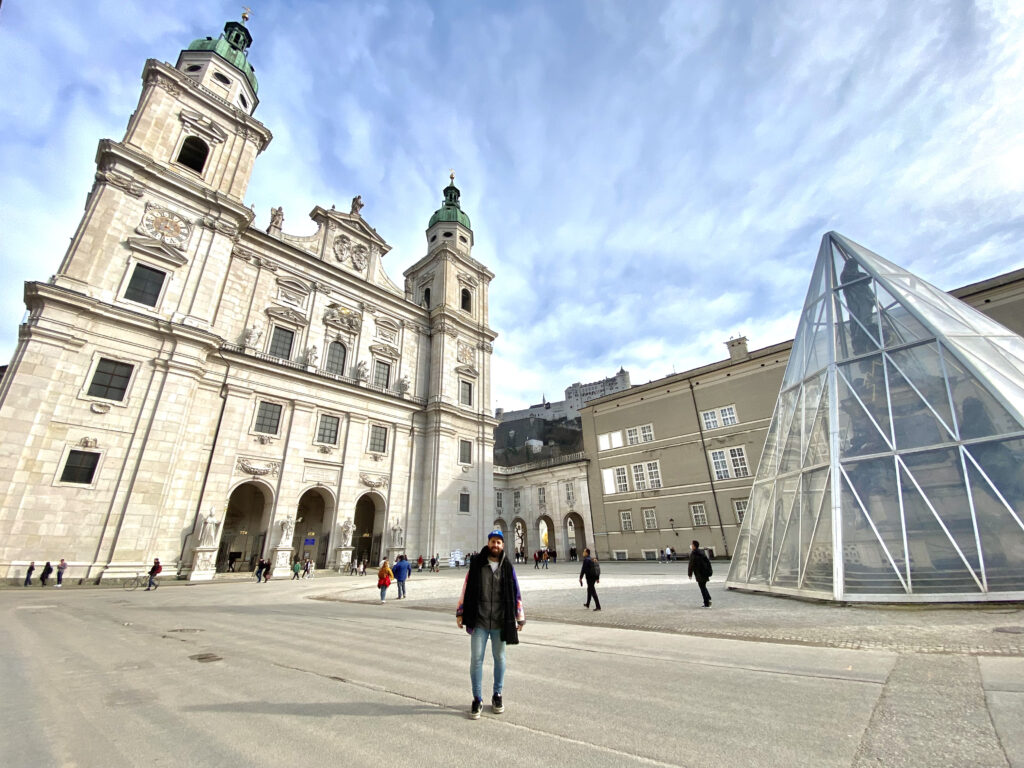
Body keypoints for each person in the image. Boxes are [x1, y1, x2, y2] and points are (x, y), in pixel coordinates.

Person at [456, 529, 525, 720]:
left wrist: (520, 616)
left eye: (499, 542)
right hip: (479, 620)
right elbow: (466, 587)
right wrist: (460, 611)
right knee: (476, 660)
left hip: (500, 621)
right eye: (493, 541)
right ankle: (477, 698)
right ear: (488, 543)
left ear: (503, 546)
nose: (496, 545)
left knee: (500, 658)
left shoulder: (507, 566)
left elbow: (516, 592)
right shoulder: (477, 564)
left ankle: (497, 695)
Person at [688, 541, 713, 608]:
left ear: (694, 546)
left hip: (699, 574)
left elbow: (691, 564)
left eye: (692, 544)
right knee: (703, 586)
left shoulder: (693, 554)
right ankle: (708, 599)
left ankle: (707, 603)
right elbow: (707, 562)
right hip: (705, 573)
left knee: (702, 588)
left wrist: (690, 574)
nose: (691, 546)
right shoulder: (702, 552)